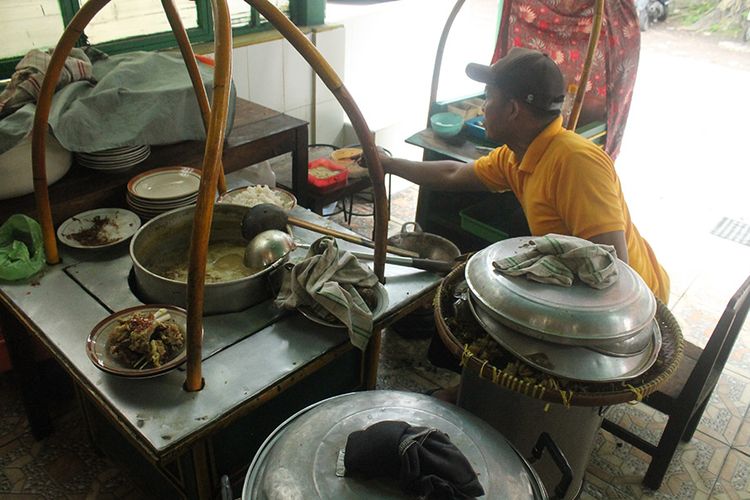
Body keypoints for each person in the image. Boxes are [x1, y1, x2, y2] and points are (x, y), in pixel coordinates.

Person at [382, 47, 670, 303]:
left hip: (636, 303)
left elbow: (612, 269)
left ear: (512, 109)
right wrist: (386, 163)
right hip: (585, 287)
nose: (483, 107)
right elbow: (453, 173)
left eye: (488, 97)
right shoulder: (517, 154)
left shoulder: (575, 163)